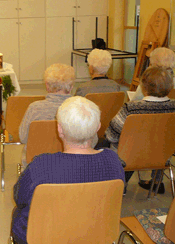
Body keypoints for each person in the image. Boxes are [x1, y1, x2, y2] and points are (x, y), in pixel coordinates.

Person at [11, 96, 125, 244]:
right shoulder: (113, 161)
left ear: (59, 129)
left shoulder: (40, 166)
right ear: (97, 127)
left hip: (43, 238)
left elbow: (19, 198)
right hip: (95, 235)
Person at [105, 66, 175, 194]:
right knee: (160, 143)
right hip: (162, 156)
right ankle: (156, 182)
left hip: (129, 156)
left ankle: (121, 185)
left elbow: (111, 135)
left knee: (118, 145)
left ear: (143, 87)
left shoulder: (131, 108)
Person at [19, 63, 75, 167]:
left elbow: (23, 138)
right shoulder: (80, 107)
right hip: (71, 163)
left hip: (36, 163)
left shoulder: (34, 108)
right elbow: (93, 140)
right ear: (71, 87)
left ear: (47, 86)